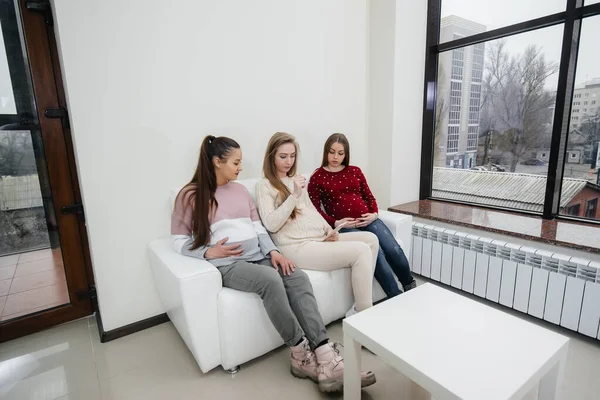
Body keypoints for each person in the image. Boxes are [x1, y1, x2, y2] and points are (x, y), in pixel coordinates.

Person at [171, 135, 375, 392]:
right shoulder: (189, 195)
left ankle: (324, 355)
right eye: (236, 162)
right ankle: (300, 354)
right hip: (230, 264)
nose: (240, 167)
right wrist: (209, 252)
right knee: (270, 280)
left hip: (261, 256)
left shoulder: (239, 191)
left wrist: (274, 252)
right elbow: (178, 241)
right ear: (216, 162)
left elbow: (259, 229)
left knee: (296, 276)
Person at [255, 132, 379, 319]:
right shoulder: (264, 185)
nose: (289, 161)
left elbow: (311, 210)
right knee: (361, 250)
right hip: (294, 246)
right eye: (283, 156)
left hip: (316, 239)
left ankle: (357, 306)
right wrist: (294, 195)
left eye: (292, 156)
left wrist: (328, 230)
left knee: (371, 240)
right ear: (271, 157)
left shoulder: (295, 179)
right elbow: (271, 224)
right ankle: (365, 316)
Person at [308, 133, 416, 299]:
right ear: (326, 152)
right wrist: (335, 221)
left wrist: (373, 214)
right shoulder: (317, 177)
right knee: (377, 253)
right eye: (332, 152)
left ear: (346, 154)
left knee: (393, 248)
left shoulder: (355, 171)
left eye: (340, 153)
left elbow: (369, 197)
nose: (335, 157)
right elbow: (314, 209)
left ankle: (409, 284)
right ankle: (396, 297)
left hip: (369, 219)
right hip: (347, 227)